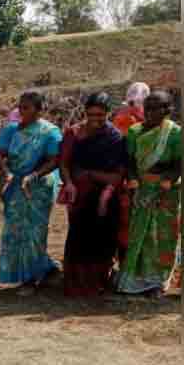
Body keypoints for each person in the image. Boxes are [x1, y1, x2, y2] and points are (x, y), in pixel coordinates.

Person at [58, 93, 128, 297]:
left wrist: (91, 174)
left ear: (108, 113)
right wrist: (69, 183)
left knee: (102, 239)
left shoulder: (115, 138)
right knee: (78, 237)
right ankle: (75, 282)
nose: (95, 119)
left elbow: (119, 174)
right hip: (79, 195)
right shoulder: (73, 133)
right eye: (91, 114)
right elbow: (64, 163)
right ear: (85, 113)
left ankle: (98, 281)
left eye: (100, 115)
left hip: (105, 196)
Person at [114, 90, 181, 296]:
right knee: (138, 234)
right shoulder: (134, 132)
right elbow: (129, 160)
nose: (149, 112)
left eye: (155, 108)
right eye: (147, 108)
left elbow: (180, 162)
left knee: (161, 236)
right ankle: (134, 278)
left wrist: (168, 179)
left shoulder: (175, 133)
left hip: (165, 193)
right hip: (141, 190)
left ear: (167, 110)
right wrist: (133, 179)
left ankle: (157, 281)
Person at [0, 90, 64, 291]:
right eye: (20, 106)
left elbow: (54, 160)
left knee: (34, 232)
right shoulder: (11, 130)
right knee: (15, 231)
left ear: (39, 110)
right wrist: (6, 172)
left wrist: (34, 175)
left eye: (26, 107)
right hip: (14, 186)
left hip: (38, 187)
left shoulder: (50, 132)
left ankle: (32, 278)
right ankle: (40, 269)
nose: (21, 110)